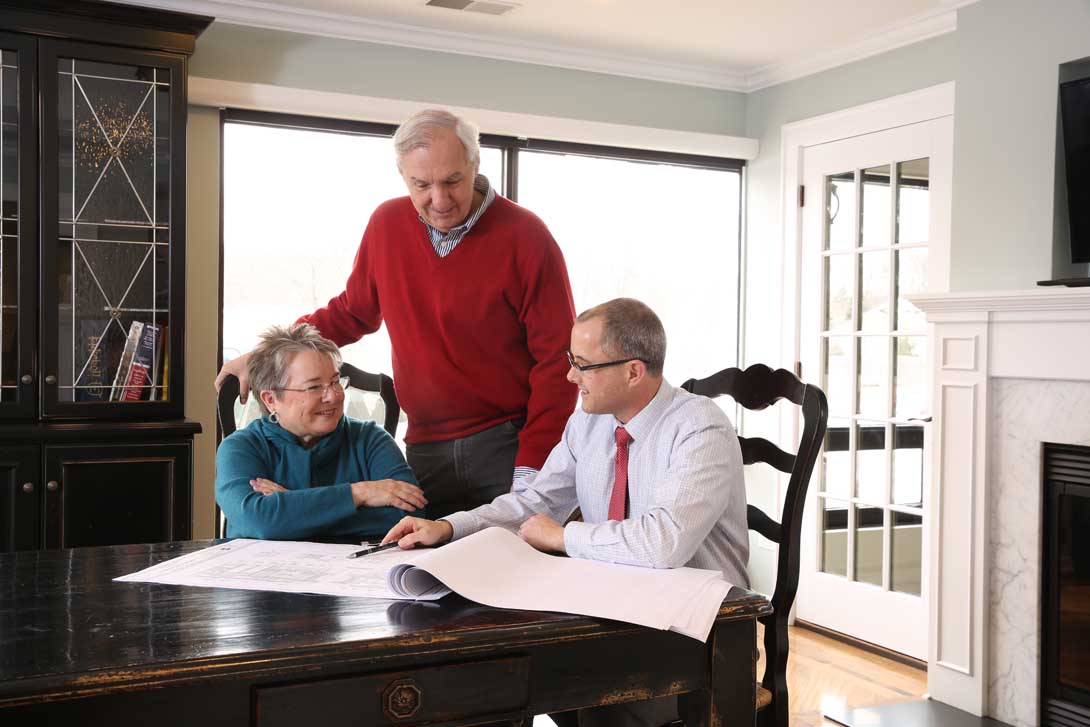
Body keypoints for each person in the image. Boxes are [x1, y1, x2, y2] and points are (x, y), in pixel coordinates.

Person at [381, 298, 749, 726]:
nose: (570, 375)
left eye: (584, 365)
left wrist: (562, 537)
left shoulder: (701, 427)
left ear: (633, 371)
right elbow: (533, 503)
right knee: (497, 677)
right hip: (614, 607)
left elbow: (662, 544)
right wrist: (447, 527)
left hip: (698, 628)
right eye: (571, 360)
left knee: (582, 690)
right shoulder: (588, 422)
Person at [216, 109, 576, 519]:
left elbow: (558, 361)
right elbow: (351, 312)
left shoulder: (527, 236)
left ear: (475, 166)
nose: (438, 200)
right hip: (425, 445)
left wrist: (531, 465)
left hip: (507, 445)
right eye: (421, 184)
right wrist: (268, 355)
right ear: (403, 175)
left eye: (452, 181)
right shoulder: (387, 224)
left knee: (511, 570)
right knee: (414, 564)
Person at [216, 324, 426, 542]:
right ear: (271, 400)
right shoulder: (240, 448)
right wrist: (359, 494)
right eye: (314, 387)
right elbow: (259, 521)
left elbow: (411, 517)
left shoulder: (370, 439)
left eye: (335, 382)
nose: (333, 396)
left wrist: (291, 508)